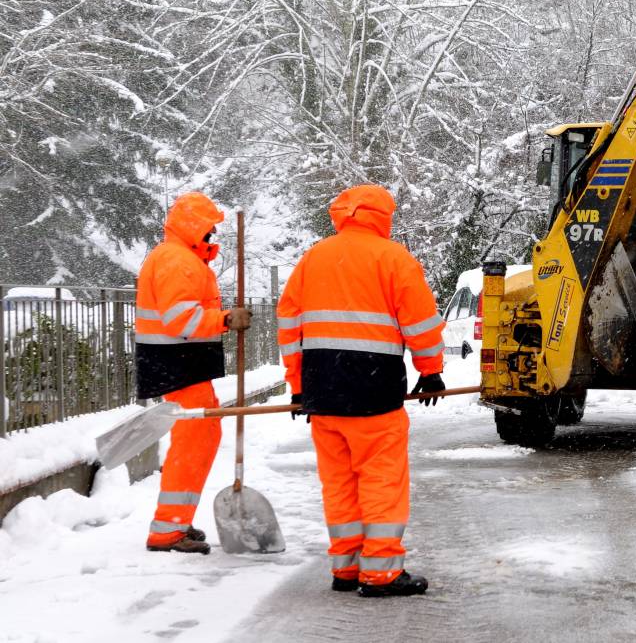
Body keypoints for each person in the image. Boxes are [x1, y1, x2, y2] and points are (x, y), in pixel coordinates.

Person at [277, 184, 446, 597]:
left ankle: (346, 566)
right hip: (375, 390)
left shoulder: (313, 259)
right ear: (382, 216)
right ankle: (382, 572)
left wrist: (298, 386)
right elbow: (421, 321)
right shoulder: (393, 259)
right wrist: (430, 370)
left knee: (338, 483)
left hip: (323, 391)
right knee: (381, 480)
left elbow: (289, 325)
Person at [135, 192, 252, 555]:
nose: (212, 236)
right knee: (194, 441)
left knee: (200, 436)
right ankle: (168, 529)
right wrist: (225, 319)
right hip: (176, 363)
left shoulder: (181, 258)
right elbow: (179, 319)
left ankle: (175, 522)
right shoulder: (176, 260)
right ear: (192, 226)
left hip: (179, 364)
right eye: (208, 229)